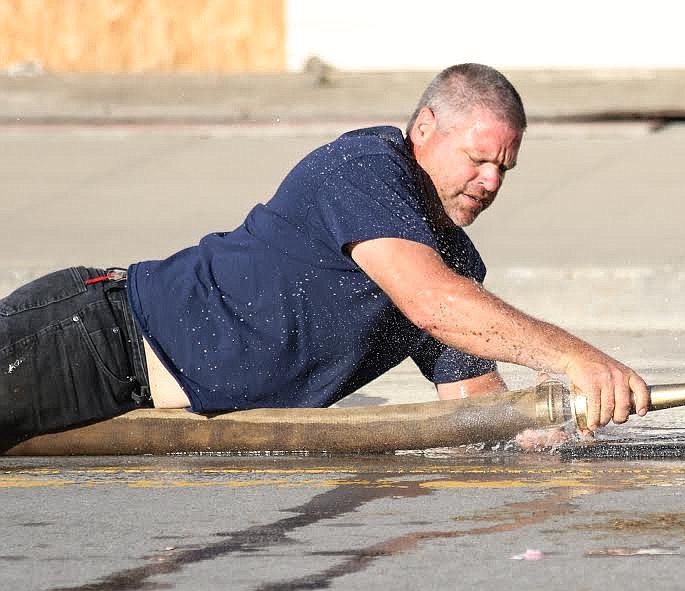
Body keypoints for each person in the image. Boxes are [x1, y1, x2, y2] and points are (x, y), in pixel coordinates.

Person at [0, 63, 650, 448]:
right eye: (478, 159)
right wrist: (578, 358)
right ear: (425, 129)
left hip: (139, 392)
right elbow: (434, 306)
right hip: (92, 337)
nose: (490, 182)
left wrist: (541, 430)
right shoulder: (365, 168)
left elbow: (473, 407)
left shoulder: (453, 262)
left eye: (504, 169)